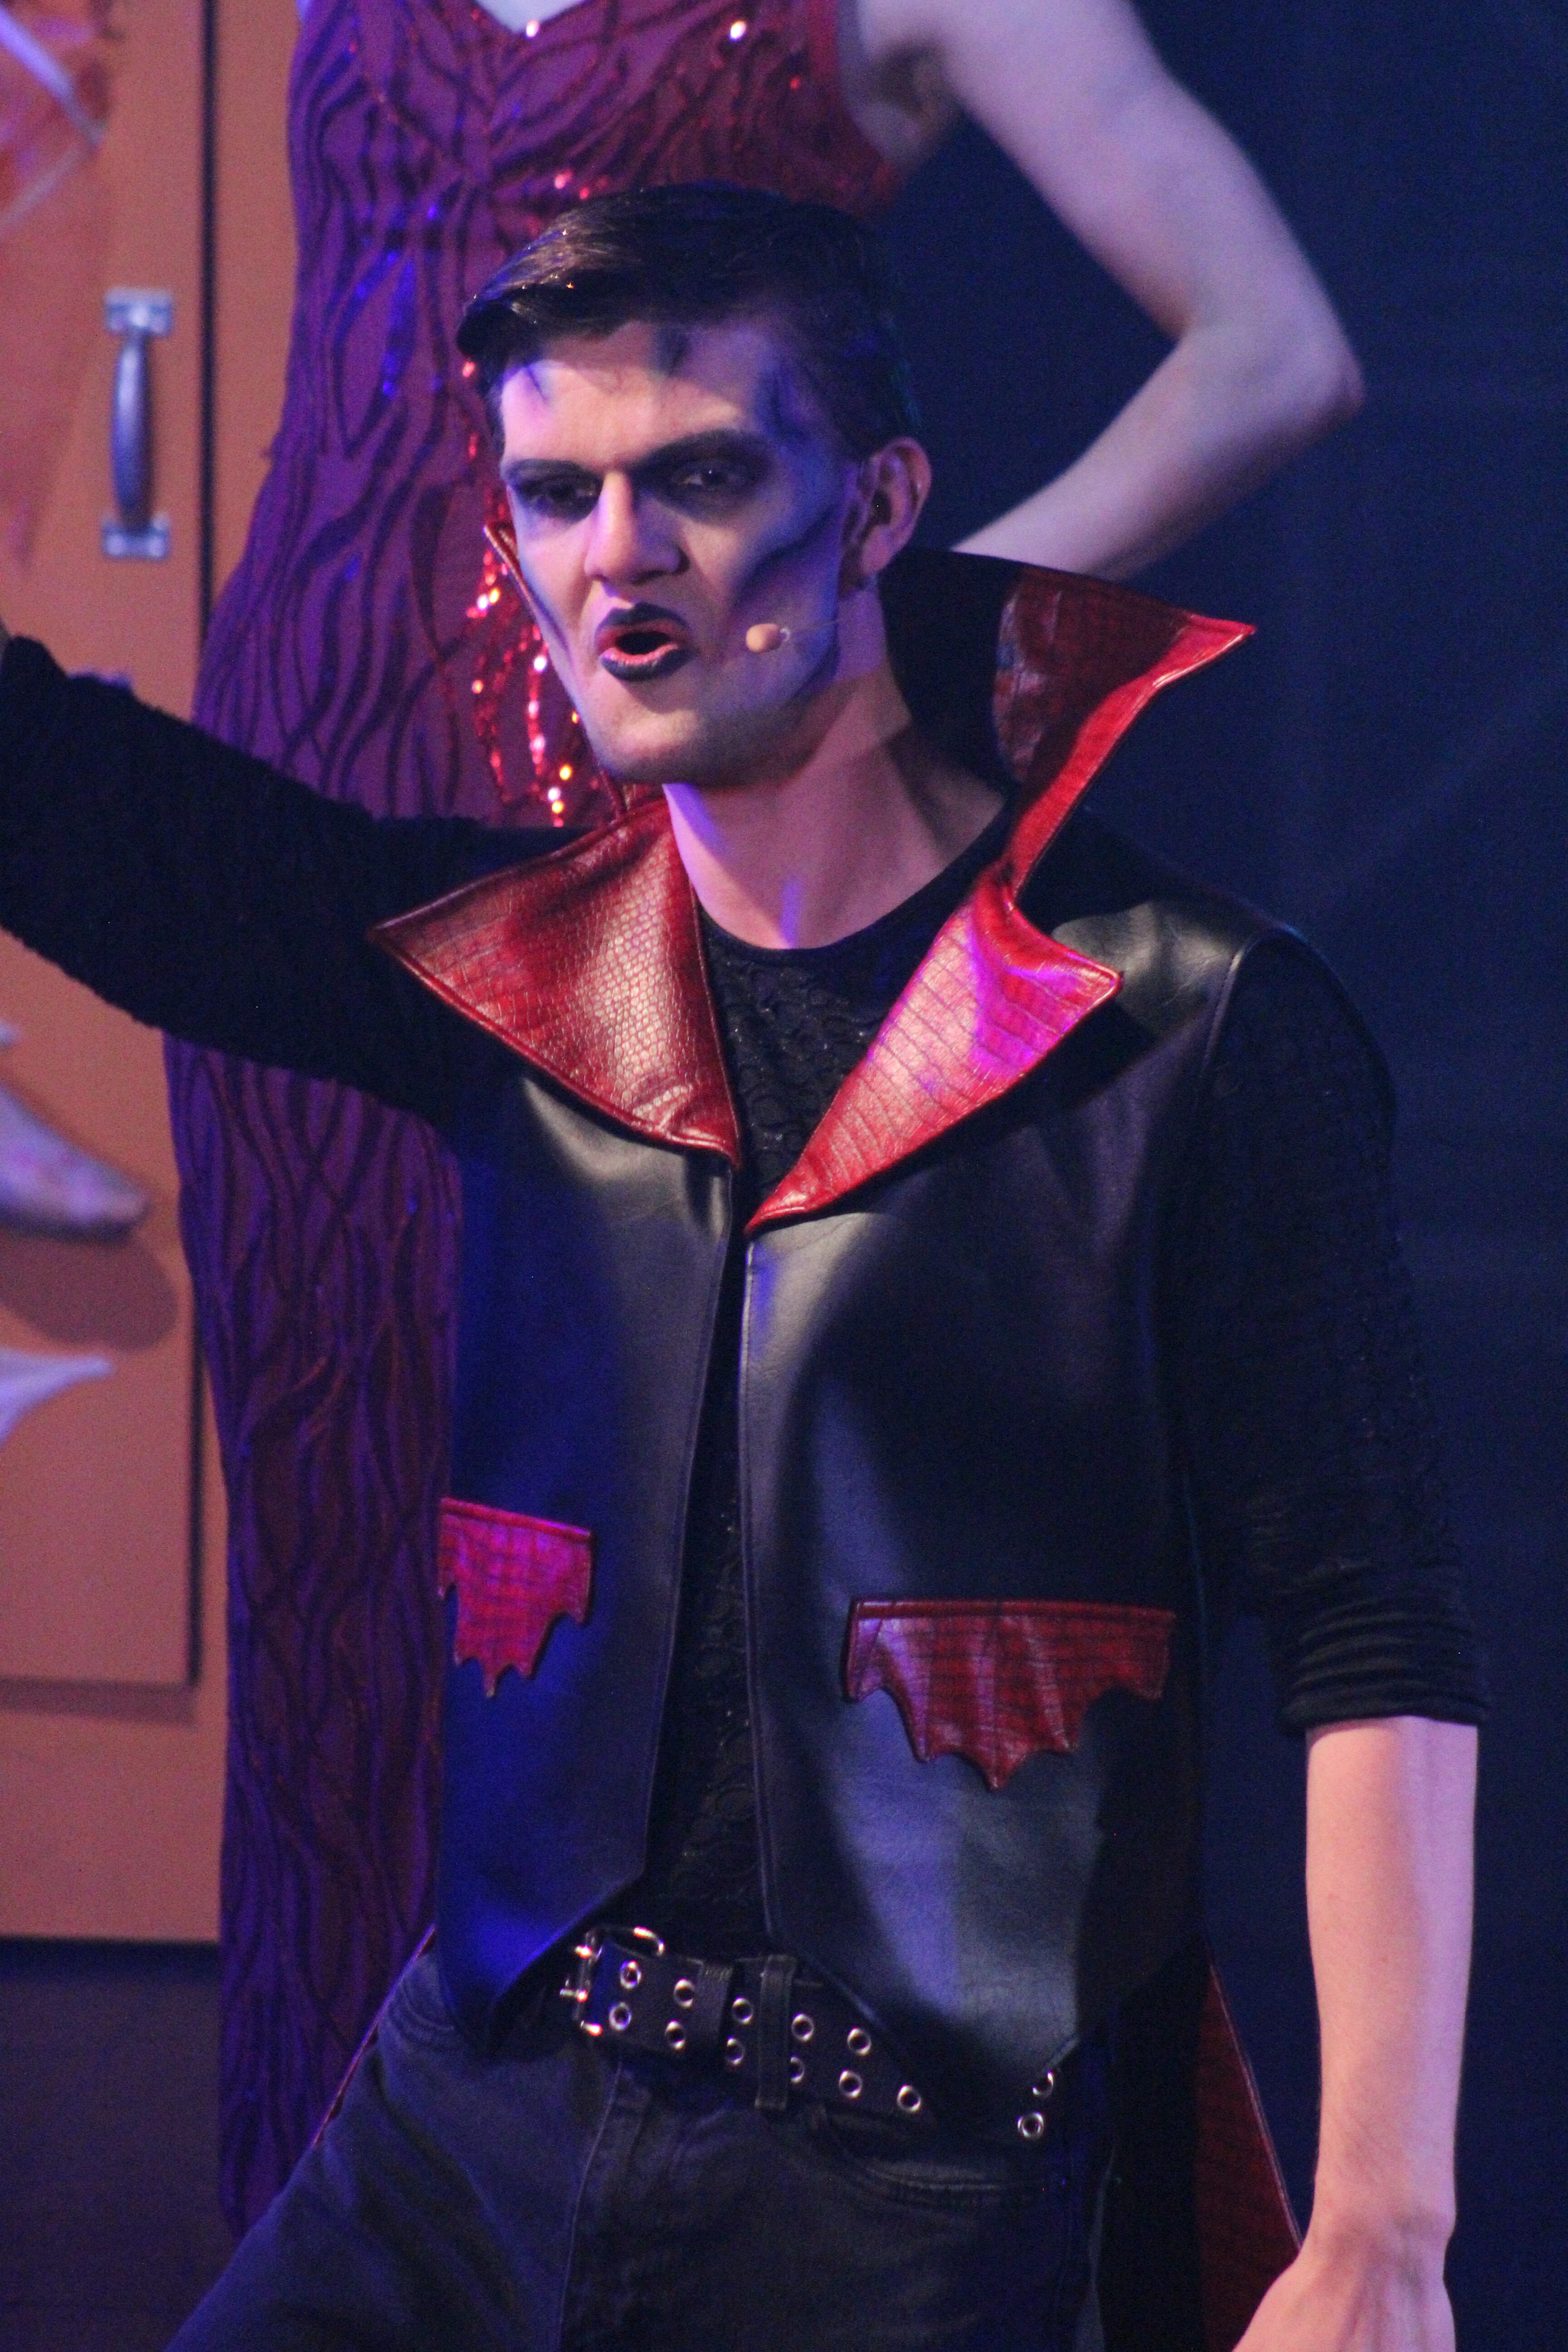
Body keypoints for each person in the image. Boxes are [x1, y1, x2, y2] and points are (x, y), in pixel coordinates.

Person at [0, 186, 1476, 2350]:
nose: (620, 558)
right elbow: (90, 814)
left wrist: (1384, 2227)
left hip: (922, 2187)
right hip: (472, 2113)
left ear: (878, 504)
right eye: (556, 493)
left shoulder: (1190, 1029)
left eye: (695, 476)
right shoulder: (516, 982)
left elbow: (1373, 1625)